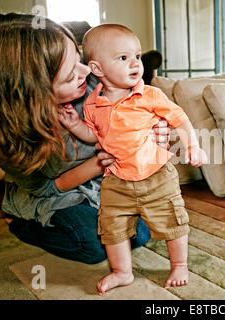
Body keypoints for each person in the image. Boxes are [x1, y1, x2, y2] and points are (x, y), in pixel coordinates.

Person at [0, 13, 171, 265]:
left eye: (79, 58)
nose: (86, 71)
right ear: (31, 96)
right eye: (69, 75)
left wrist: (155, 131)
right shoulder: (6, 134)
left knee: (139, 233)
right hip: (55, 195)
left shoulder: (96, 82)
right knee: (93, 244)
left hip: (103, 184)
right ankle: (20, 223)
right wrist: (100, 162)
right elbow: (44, 188)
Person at [58, 24, 208, 294]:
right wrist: (75, 126)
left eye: (137, 56)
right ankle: (122, 272)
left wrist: (193, 146)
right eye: (123, 58)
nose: (135, 64)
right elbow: (93, 135)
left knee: (172, 221)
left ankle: (180, 264)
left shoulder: (149, 95)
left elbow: (179, 119)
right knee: (111, 226)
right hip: (116, 180)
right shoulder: (93, 103)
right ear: (98, 69)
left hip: (156, 175)